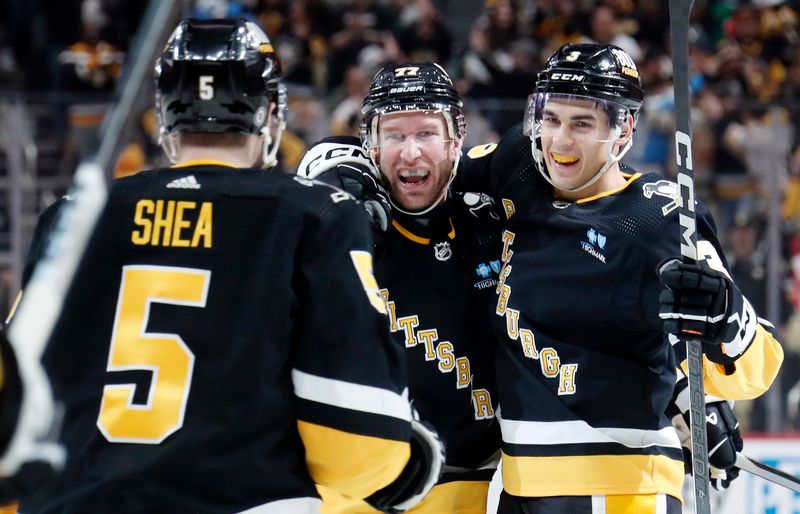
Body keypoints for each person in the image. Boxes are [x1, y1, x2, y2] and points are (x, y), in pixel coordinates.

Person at [15, 18, 444, 513]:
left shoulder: (70, 217)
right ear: (269, 114)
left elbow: (18, 403)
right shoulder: (314, 214)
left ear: (167, 116)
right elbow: (354, 434)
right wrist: (403, 462)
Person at [455, 43, 784, 513]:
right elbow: (430, 178)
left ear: (624, 128)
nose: (560, 142)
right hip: (520, 486)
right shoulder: (519, 169)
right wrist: (343, 170)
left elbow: (759, 366)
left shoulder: (658, 221)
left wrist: (724, 321)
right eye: (551, 119)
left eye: (583, 123)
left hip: (619, 489)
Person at [298, 63, 502, 514]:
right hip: (365, 488)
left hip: (479, 482)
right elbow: (319, 165)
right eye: (393, 135)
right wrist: (328, 173)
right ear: (371, 143)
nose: (410, 154)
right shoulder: (347, 223)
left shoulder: (494, 219)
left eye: (426, 133)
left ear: (456, 138)